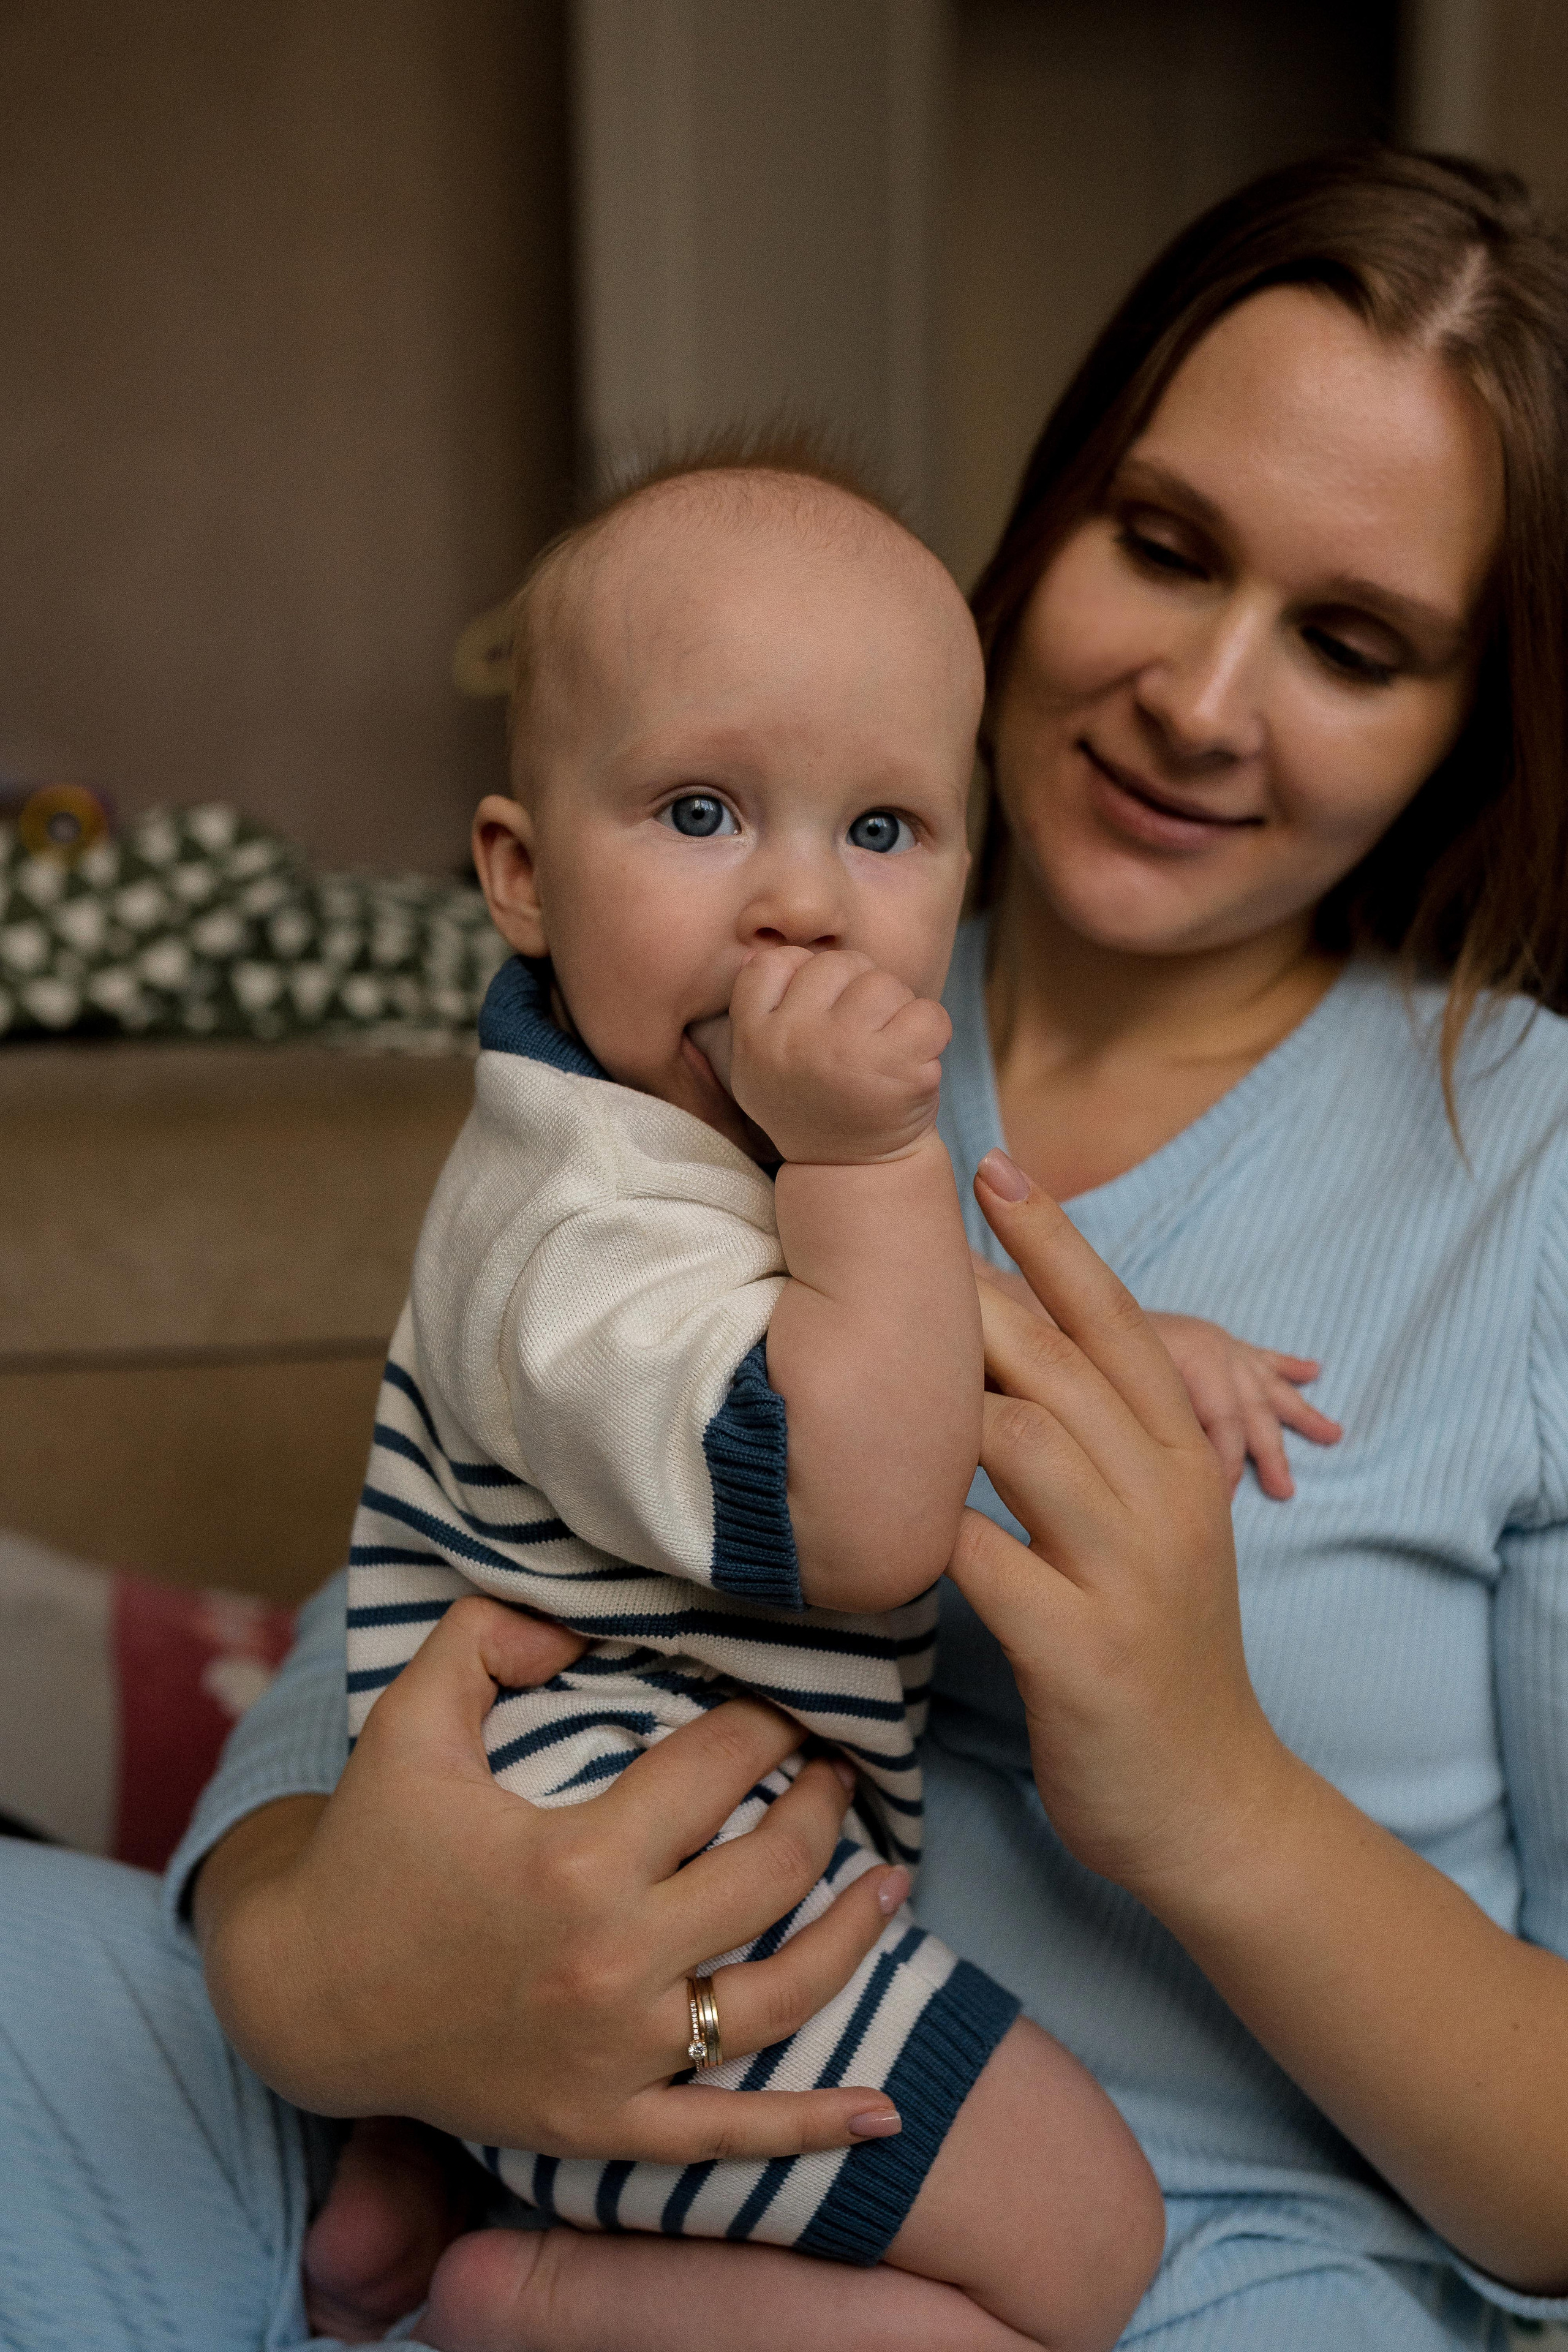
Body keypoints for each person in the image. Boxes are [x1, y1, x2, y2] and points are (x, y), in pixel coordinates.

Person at [6, 143, 1568, 2351]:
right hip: (501, 2099)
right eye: (1163, 545)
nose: (1204, 705)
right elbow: (453, 1571)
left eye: (1350, 643)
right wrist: (321, 1970)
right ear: (1035, 536)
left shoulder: (1536, 1165)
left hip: (1173, 2264)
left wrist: (1215, 1795)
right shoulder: (711, 1012)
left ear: (1473, 717)